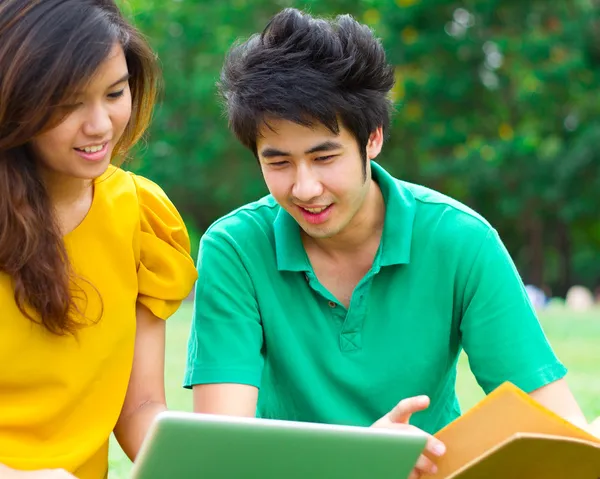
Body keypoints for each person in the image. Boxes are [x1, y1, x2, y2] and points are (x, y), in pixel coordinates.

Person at [184, 8, 595, 478]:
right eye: (278, 163)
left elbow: (559, 432)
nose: (304, 188)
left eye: (324, 157)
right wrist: (360, 459)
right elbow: (220, 456)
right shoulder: (234, 249)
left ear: (373, 138)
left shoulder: (462, 242)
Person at [0, 1, 198, 478]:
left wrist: (204, 463)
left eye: (115, 93)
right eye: (68, 103)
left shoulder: (142, 216)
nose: (100, 125)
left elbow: (140, 407)